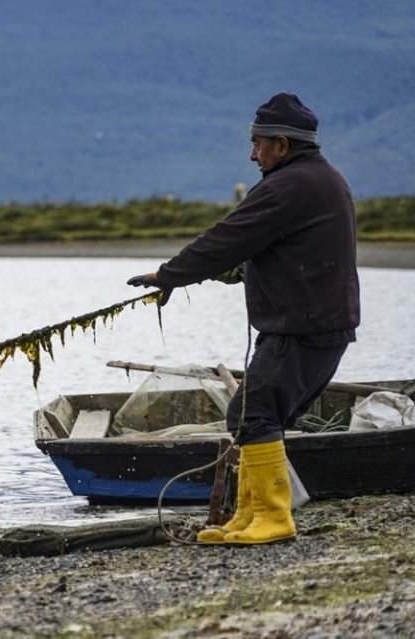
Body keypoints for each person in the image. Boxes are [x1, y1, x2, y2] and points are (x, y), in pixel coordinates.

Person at [127, 93, 360, 545]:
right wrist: (233, 272)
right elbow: (271, 250)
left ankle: (273, 519)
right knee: (253, 414)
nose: (252, 154)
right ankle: (249, 517)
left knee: (254, 413)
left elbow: (227, 238)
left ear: (282, 145)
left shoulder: (288, 186)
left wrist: (169, 274)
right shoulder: (320, 180)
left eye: (258, 144)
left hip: (304, 326)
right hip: (314, 323)